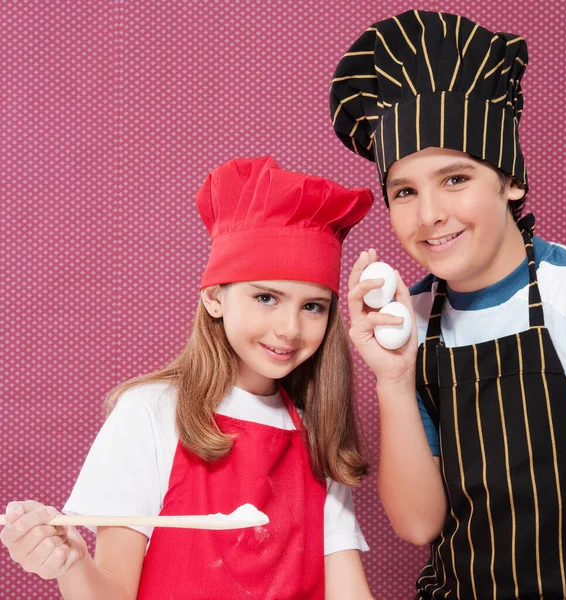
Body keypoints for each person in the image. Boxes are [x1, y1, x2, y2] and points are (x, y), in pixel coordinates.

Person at [0, 156, 378, 600]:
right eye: (266, 297)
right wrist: (73, 562)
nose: (290, 328)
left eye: (312, 306)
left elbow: (348, 592)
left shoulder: (317, 432)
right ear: (216, 298)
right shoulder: (150, 412)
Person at [330, 9, 566, 599]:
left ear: (510, 180)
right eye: (405, 191)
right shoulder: (411, 321)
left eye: (455, 179)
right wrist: (394, 380)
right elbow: (418, 523)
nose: (429, 215)